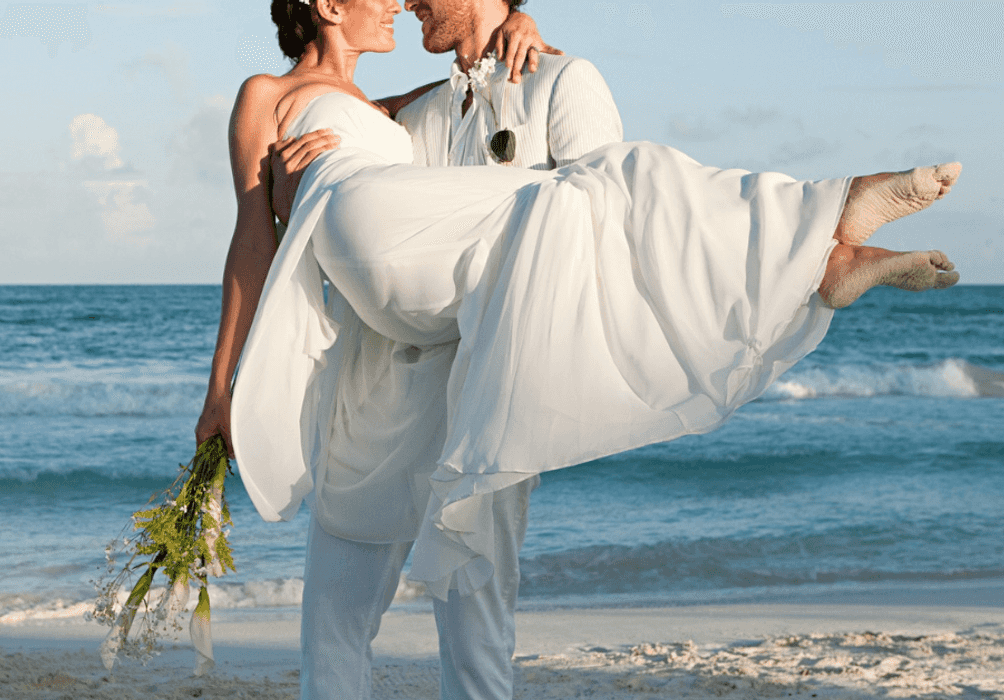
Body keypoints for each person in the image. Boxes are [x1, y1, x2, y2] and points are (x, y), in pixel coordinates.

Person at [195, 1, 961, 698]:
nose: (403, 3)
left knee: (466, 606)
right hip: (369, 254)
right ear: (328, 6)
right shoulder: (283, 94)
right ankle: (818, 227)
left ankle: (824, 253)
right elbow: (250, 242)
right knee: (618, 180)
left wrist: (522, 27)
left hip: (471, 352)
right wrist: (223, 383)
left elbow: (614, 245)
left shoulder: (440, 99)